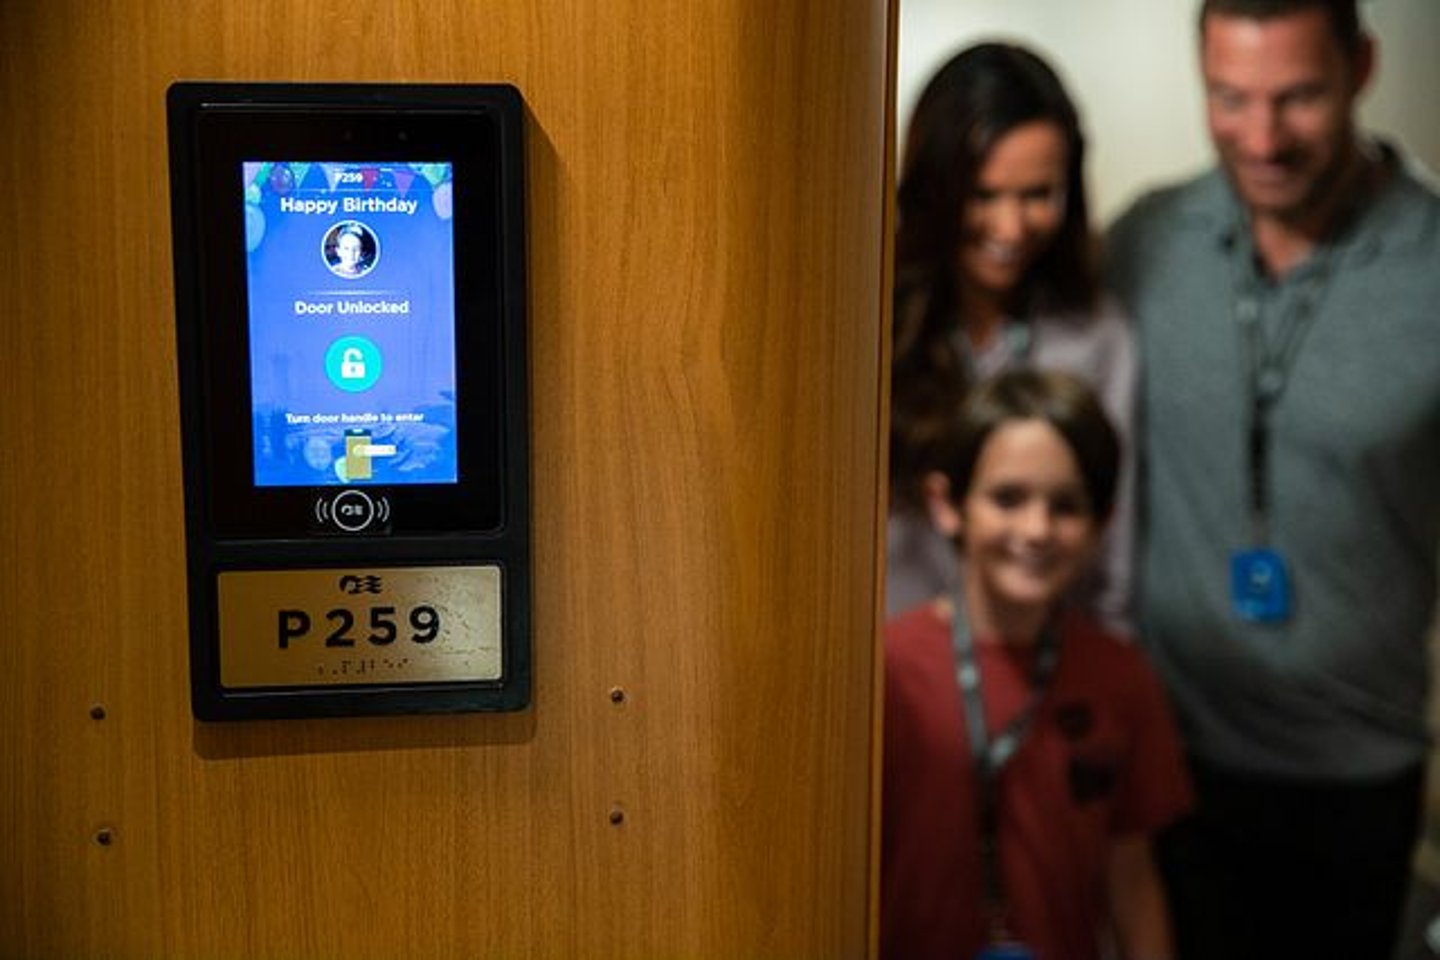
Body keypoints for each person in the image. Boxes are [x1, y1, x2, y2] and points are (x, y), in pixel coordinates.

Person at [1106, 1, 1440, 956]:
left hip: (1358, 775)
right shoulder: (1146, 240)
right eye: (1229, 98)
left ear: (1362, 67)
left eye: (1298, 99)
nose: (1262, 138)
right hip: (1167, 762)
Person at [881, 369, 1191, 960]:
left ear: (1102, 524)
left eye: (1066, 506)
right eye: (1008, 498)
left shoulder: (1121, 679)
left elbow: (1131, 878)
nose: (1036, 529)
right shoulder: (886, 673)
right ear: (948, 505)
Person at [888, 42, 1136, 631]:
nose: (1010, 227)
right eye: (983, 196)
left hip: (1041, 679)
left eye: (1037, 196)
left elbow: (1113, 560)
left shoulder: (1096, 337)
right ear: (935, 191)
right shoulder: (868, 324)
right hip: (886, 678)